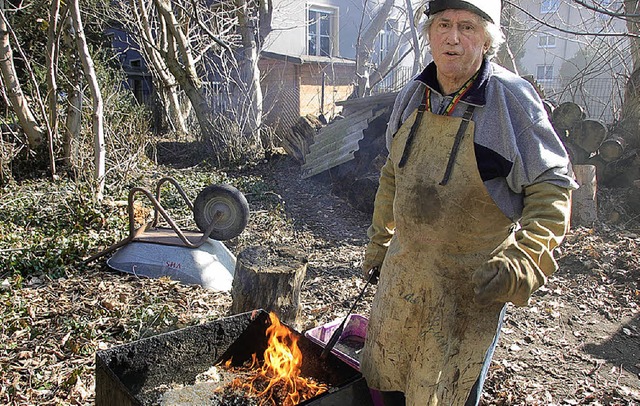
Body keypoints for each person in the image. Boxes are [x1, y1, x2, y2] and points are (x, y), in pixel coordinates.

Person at [359, 0, 578, 405]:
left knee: (445, 396)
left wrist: (526, 257)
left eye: (467, 27)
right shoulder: (414, 94)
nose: (452, 38)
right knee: (386, 383)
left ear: (487, 39)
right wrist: (380, 242)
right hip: (403, 275)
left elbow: (553, 185)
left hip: (468, 288)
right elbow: (393, 174)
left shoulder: (511, 100)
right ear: (429, 34)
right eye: (442, 24)